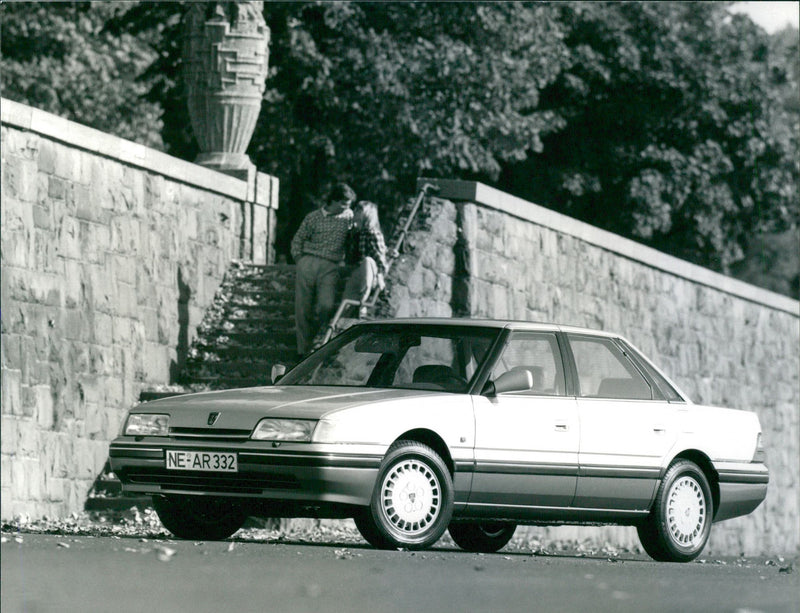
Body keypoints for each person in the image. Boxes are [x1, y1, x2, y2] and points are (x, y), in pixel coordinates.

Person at [291, 182, 356, 357]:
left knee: (326, 305)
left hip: (330, 265)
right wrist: (300, 260)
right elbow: (298, 239)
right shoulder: (312, 217)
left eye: (349, 205)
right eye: (343, 204)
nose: (346, 208)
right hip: (308, 262)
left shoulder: (349, 217)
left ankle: (319, 342)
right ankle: (302, 350)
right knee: (302, 308)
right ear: (333, 201)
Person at [343, 200, 390, 317]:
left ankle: (363, 304)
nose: (355, 212)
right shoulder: (356, 233)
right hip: (358, 271)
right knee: (345, 304)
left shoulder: (372, 233)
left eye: (359, 210)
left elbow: (380, 256)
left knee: (367, 261)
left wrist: (380, 275)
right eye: (356, 210)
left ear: (367, 215)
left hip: (371, 271)